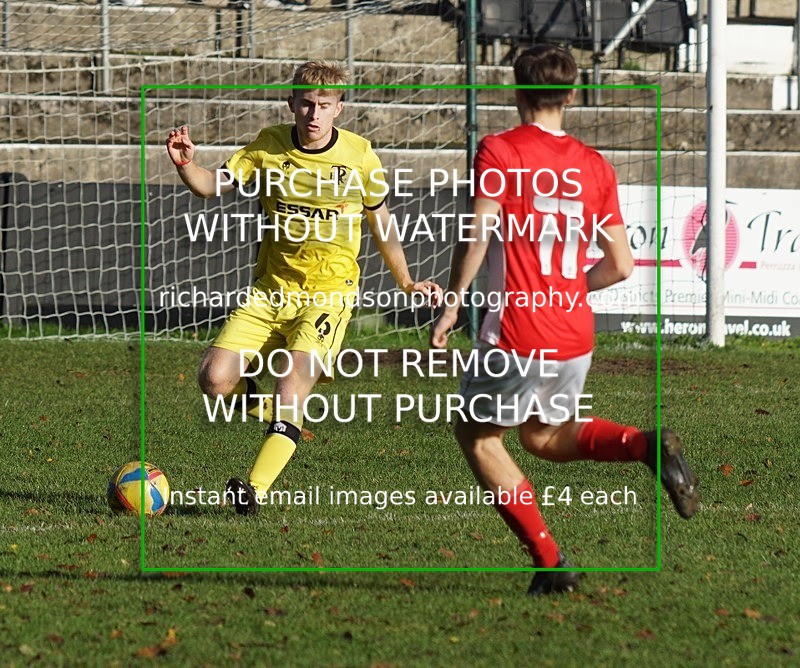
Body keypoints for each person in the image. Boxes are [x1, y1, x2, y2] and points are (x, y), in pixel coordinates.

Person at [430, 44, 699, 595]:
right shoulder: (593, 165)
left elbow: (478, 235)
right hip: (574, 329)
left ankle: (551, 564)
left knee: (479, 438)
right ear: (572, 95)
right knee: (543, 436)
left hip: (518, 328)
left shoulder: (500, 150)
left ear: (517, 91)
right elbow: (622, 265)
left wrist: (454, 299)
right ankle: (642, 446)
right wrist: (569, 288)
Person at [166, 60, 441, 514]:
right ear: (291, 103)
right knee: (214, 380)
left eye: (324, 105)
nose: (314, 114)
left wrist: (407, 281)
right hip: (271, 291)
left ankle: (252, 490)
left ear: (340, 108)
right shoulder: (268, 147)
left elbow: (382, 224)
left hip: (329, 294)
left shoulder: (360, 157)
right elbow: (212, 186)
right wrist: (186, 164)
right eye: (307, 104)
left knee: (291, 383)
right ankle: (281, 423)